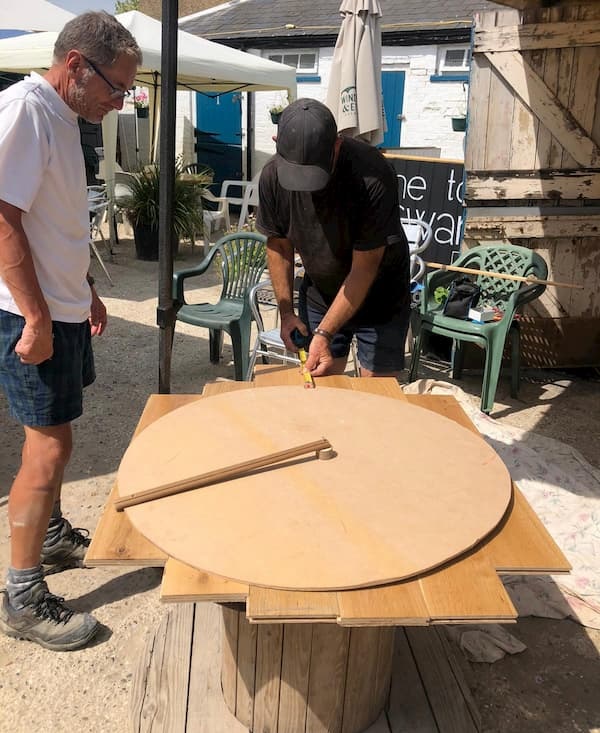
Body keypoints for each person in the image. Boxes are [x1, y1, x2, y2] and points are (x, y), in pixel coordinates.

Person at [0, 12, 141, 651]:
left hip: (61, 304)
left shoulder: (67, 118)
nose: (122, 101)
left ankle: (52, 538)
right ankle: (23, 598)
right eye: (117, 87)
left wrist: (83, 291)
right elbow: (1, 217)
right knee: (48, 447)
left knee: (59, 432)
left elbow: (51, 220)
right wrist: (33, 316)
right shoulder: (26, 110)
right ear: (77, 66)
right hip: (27, 311)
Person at [256, 98, 411, 378]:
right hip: (321, 293)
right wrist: (286, 311)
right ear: (276, 141)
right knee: (321, 386)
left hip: (380, 296)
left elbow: (364, 268)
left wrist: (325, 333)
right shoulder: (270, 177)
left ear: (337, 145)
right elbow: (279, 245)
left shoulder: (373, 175)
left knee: (376, 397)